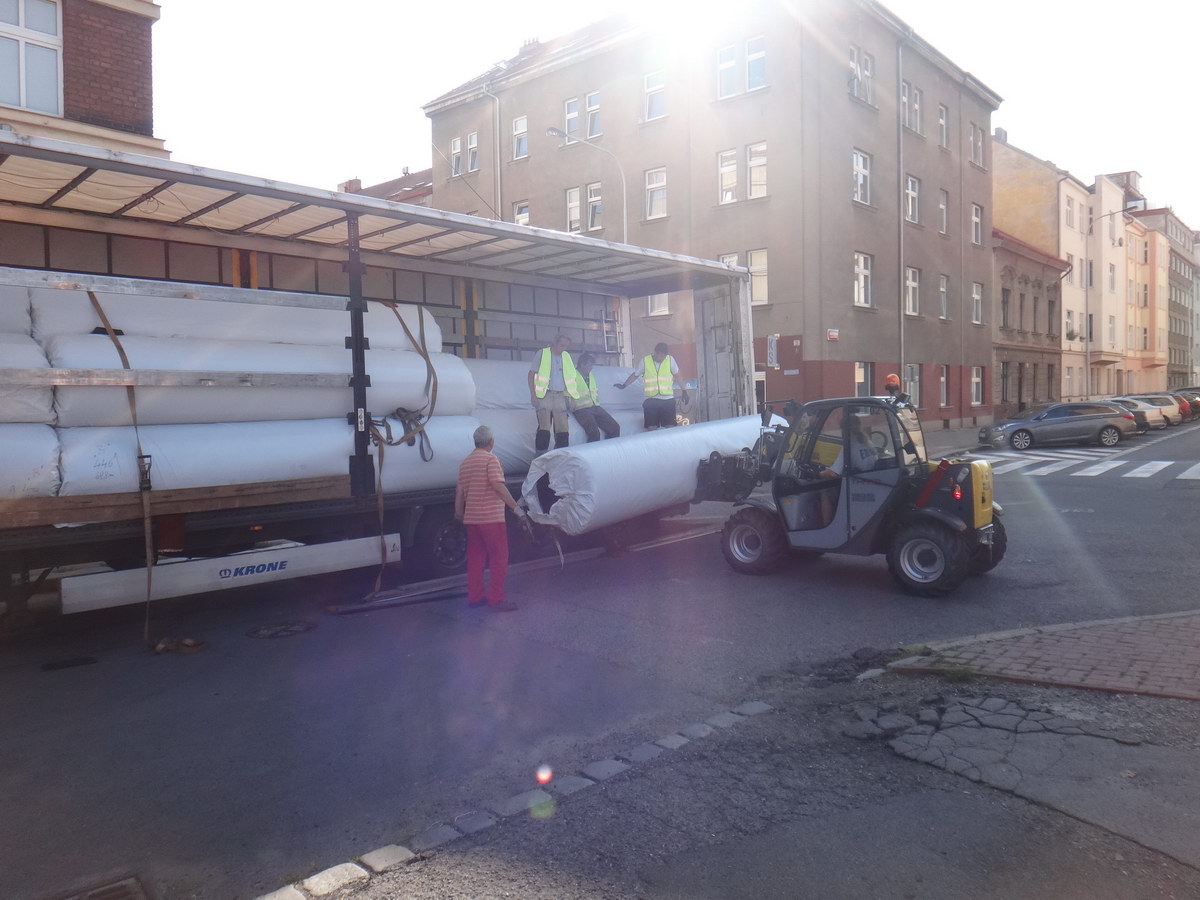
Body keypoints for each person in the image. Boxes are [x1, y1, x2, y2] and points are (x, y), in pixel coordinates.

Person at [455, 424, 524, 612]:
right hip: (491, 519)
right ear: (491, 442)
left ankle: (475, 597)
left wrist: (459, 514)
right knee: (499, 558)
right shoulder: (491, 459)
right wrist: (516, 509)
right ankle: (496, 599)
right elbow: (498, 486)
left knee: (476, 559)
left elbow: (459, 491)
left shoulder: (465, 463)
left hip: (472, 520)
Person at [615, 342, 689, 431]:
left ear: (666, 355)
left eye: (663, 356)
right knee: (651, 428)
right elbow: (635, 375)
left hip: (667, 399)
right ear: (655, 352)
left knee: (670, 427)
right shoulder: (645, 361)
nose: (660, 358)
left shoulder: (670, 360)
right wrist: (624, 385)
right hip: (651, 400)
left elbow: (678, 375)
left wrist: (684, 391)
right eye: (658, 355)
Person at [528, 334, 580, 453]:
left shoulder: (566, 356)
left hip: (560, 396)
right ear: (555, 343)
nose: (564, 348)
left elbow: (571, 379)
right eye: (562, 345)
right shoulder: (542, 353)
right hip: (544, 395)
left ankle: (560, 457)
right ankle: (540, 458)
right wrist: (533, 395)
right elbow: (531, 374)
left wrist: (573, 398)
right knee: (544, 430)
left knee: (563, 431)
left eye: (566, 346)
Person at [571, 352, 620, 442]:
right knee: (594, 433)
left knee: (615, 427)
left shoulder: (590, 375)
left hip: (595, 407)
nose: (591, 368)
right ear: (582, 364)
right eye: (590, 365)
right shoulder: (572, 376)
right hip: (580, 409)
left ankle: (609, 449)